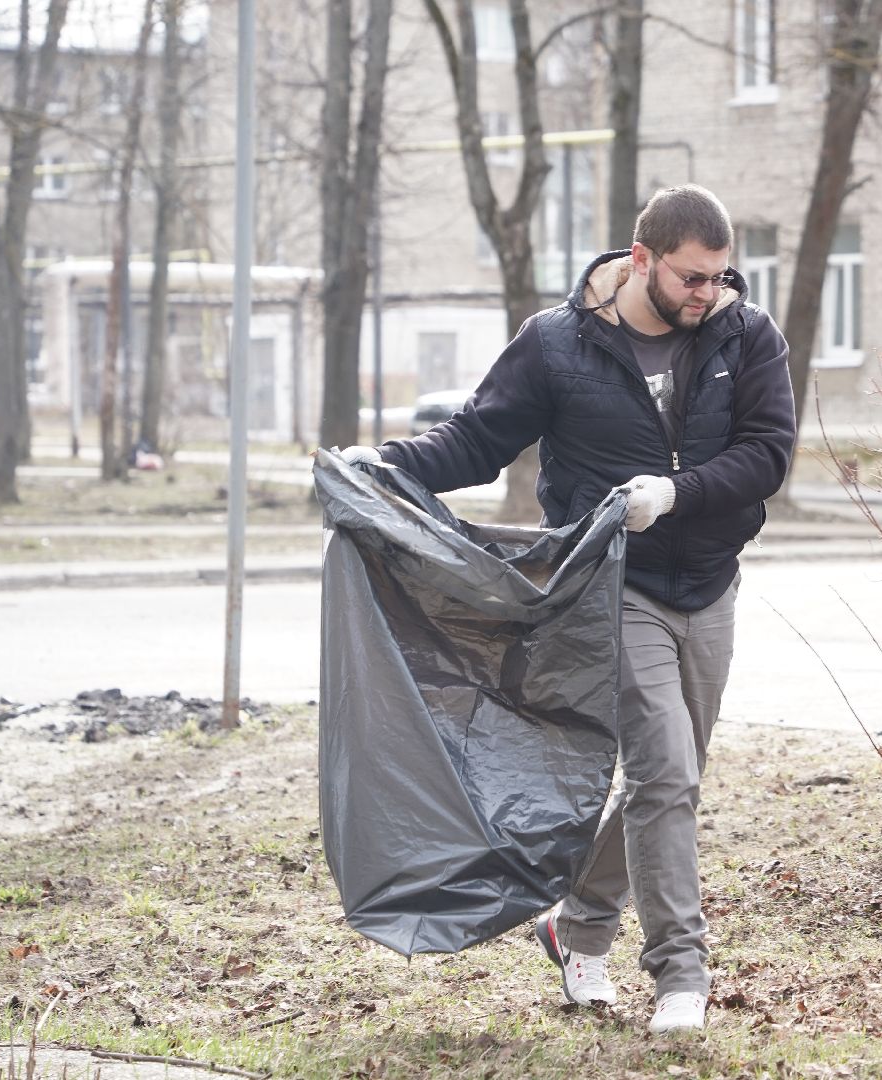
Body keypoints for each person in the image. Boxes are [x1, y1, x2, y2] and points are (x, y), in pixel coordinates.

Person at [340, 185, 795, 1035]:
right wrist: (386, 465)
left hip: (710, 583)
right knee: (665, 772)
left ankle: (577, 924)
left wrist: (678, 491)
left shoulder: (745, 332)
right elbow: (476, 440)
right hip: (612, 587)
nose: (709, 295)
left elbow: (766, 455)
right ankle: (680, 977)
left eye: (720, 278)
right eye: (693, 279)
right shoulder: (557, 345)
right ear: (642, 260)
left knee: (673, 776)